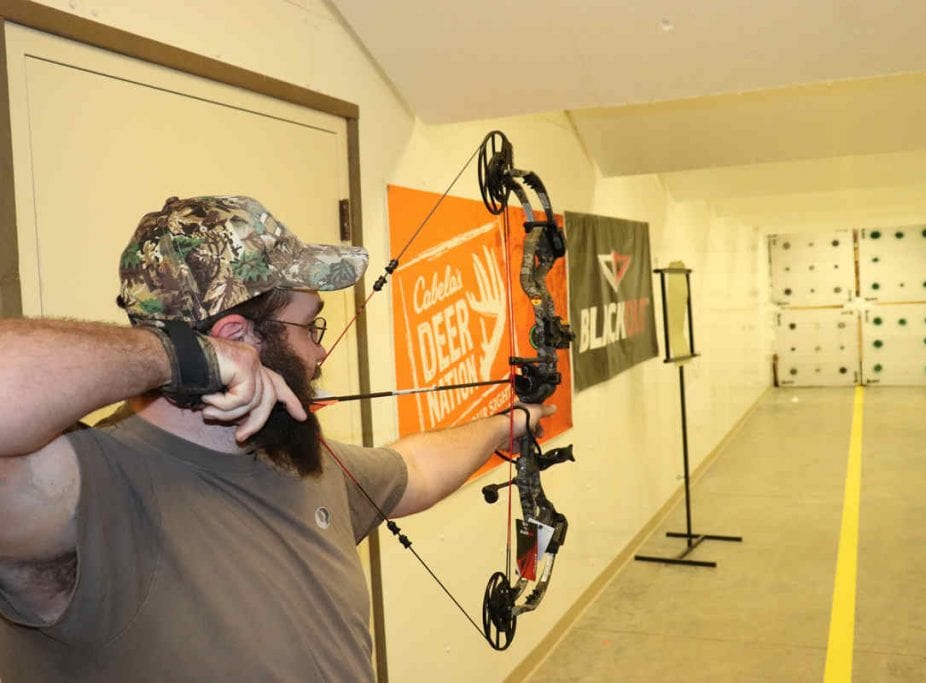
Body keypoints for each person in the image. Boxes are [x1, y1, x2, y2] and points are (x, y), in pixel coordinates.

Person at [0, 195, 552, 681]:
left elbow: (414, 469)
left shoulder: (297, 461)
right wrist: (178, 357)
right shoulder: (82, 491)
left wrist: (513, 422)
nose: (317, 354)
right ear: (236, 338)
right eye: (310, 326)